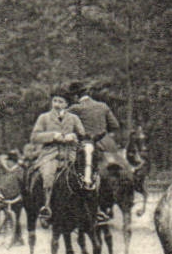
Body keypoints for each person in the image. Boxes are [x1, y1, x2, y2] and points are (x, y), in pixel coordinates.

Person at [28, 85, 88, 226]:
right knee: (48, 175)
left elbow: (83, 136)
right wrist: (53, 136)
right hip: (50, 155)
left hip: (70, 155)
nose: (57, 105)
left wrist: (74, 137)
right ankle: (46, 207)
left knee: (85, 177)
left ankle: (89, 209)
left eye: (60, 102)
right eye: (55, 101)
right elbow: (34, 137)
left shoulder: (73, 118)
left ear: (67, 104)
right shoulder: (44, 118)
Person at [69, 81, 130, 187]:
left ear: (75, 96)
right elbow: (115, 125)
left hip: (86, 141)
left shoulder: (75, 108)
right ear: (88, 93)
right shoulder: (103, 106)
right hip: (107, 142)